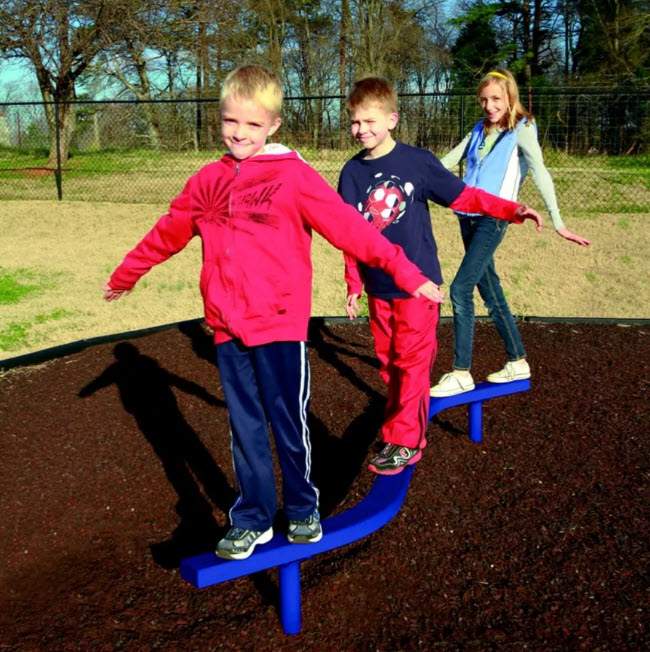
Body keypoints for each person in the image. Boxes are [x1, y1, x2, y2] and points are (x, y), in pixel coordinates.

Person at [103, 64, 445, 561]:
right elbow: (170, 229)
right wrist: (129, 272)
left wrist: (408, 273)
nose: (240, 134)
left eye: (252, 125)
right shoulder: (208, 180)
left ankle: (304, 506)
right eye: (230, 123)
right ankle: (254, 517)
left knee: (288, 420)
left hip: (281, 324)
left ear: (273, 127)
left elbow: (352, 230)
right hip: (226, 325)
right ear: (219, 120)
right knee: (244, 426)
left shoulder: (293, 177)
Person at [338, 77, 543, 476]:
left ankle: (405, 441)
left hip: (419, 286)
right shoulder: (351, 174)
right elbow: (349, 233)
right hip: (379, 289)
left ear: (392, 119)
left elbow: (464, 196)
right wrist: (353, 284)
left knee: (413, 363)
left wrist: (510, 210)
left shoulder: (417, 162)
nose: (361, 130)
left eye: (369, 121)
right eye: (355, 123)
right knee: (389, 364)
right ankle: (402, 430)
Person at [430, 68, 591, 398]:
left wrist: (558, 221)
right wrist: (414, 173)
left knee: (461, 288)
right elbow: (448, 160)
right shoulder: (479, 128)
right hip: (467, 216)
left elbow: (541, 171)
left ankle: (461, 371)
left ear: (510, 98)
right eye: (485, 100)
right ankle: (517, 361)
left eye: (496, 99)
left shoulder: (522, 128)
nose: (490, 106)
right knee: (490, 289)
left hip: (494, 219)